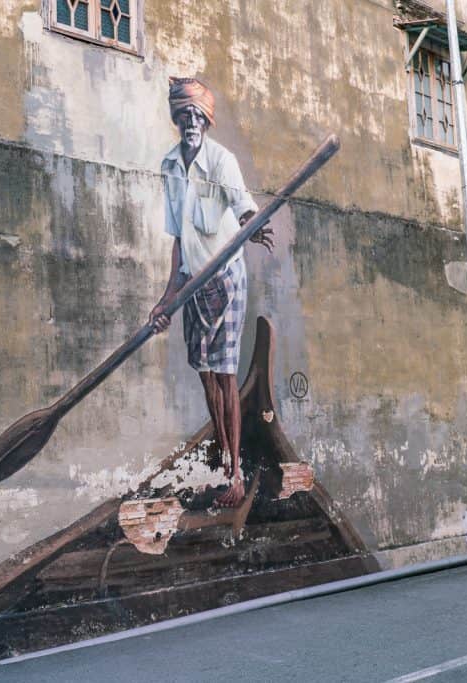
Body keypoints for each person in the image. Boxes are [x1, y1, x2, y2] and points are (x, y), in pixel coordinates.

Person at [149, 77, 274, 508]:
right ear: (176, 119)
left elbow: (244, 209)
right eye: (183, 114)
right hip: (193, 287)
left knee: (224, 376)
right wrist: (168, 298)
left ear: (207, 119)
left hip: (225, 279)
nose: (190, 120)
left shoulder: (222, 161)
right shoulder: (169, 166)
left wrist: (252, 227)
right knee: (205, 377)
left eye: (197, 114)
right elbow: (179, 242)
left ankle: (235, 474)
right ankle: (223, 463)